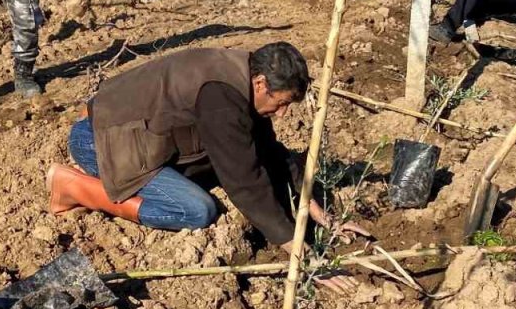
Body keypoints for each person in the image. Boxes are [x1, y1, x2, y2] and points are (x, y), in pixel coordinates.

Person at [46, 43, 367, 291]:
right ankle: (75, 187)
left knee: (238, 166)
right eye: (281, 103)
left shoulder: (242, 76)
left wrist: (322, 215)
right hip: (103, 143)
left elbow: (265, 151)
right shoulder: (222, 96)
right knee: (197, 210)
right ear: (260, 83)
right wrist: (304, 257)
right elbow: (245, 181)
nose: (283, 114)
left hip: (140, 137)